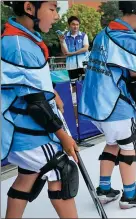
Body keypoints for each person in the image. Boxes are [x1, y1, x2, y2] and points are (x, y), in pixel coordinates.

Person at [78, 1, 136, 209]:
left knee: (112, 142)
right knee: (128, 147)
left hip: (95, 106)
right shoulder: (129, 39)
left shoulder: (104, 33)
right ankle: (130, 195)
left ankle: (104, 190)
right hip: (115, 104)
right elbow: (135, 82)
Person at [1, 1, 79, 218]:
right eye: (52, 9)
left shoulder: (25, 39)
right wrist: (63, 136)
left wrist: (53, 92)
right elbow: (35, 104)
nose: (56, 17)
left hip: (26, 129)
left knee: (28, 175)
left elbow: (32, 81)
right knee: (61, 169)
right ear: (29, 8)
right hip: (28, 131)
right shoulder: (18, 44)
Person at [58, 16, 89, 87]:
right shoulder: (65, 37)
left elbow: (85, 48)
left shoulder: (83, 35)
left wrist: (72, 53)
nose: (75, 26)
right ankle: (76, 98)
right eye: (73, 24)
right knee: (74, 86)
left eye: (77, 24)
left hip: (83, 65)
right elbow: (65, 52)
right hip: (71, 66)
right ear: (69, 25)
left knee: (85, 85)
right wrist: (62, 42)